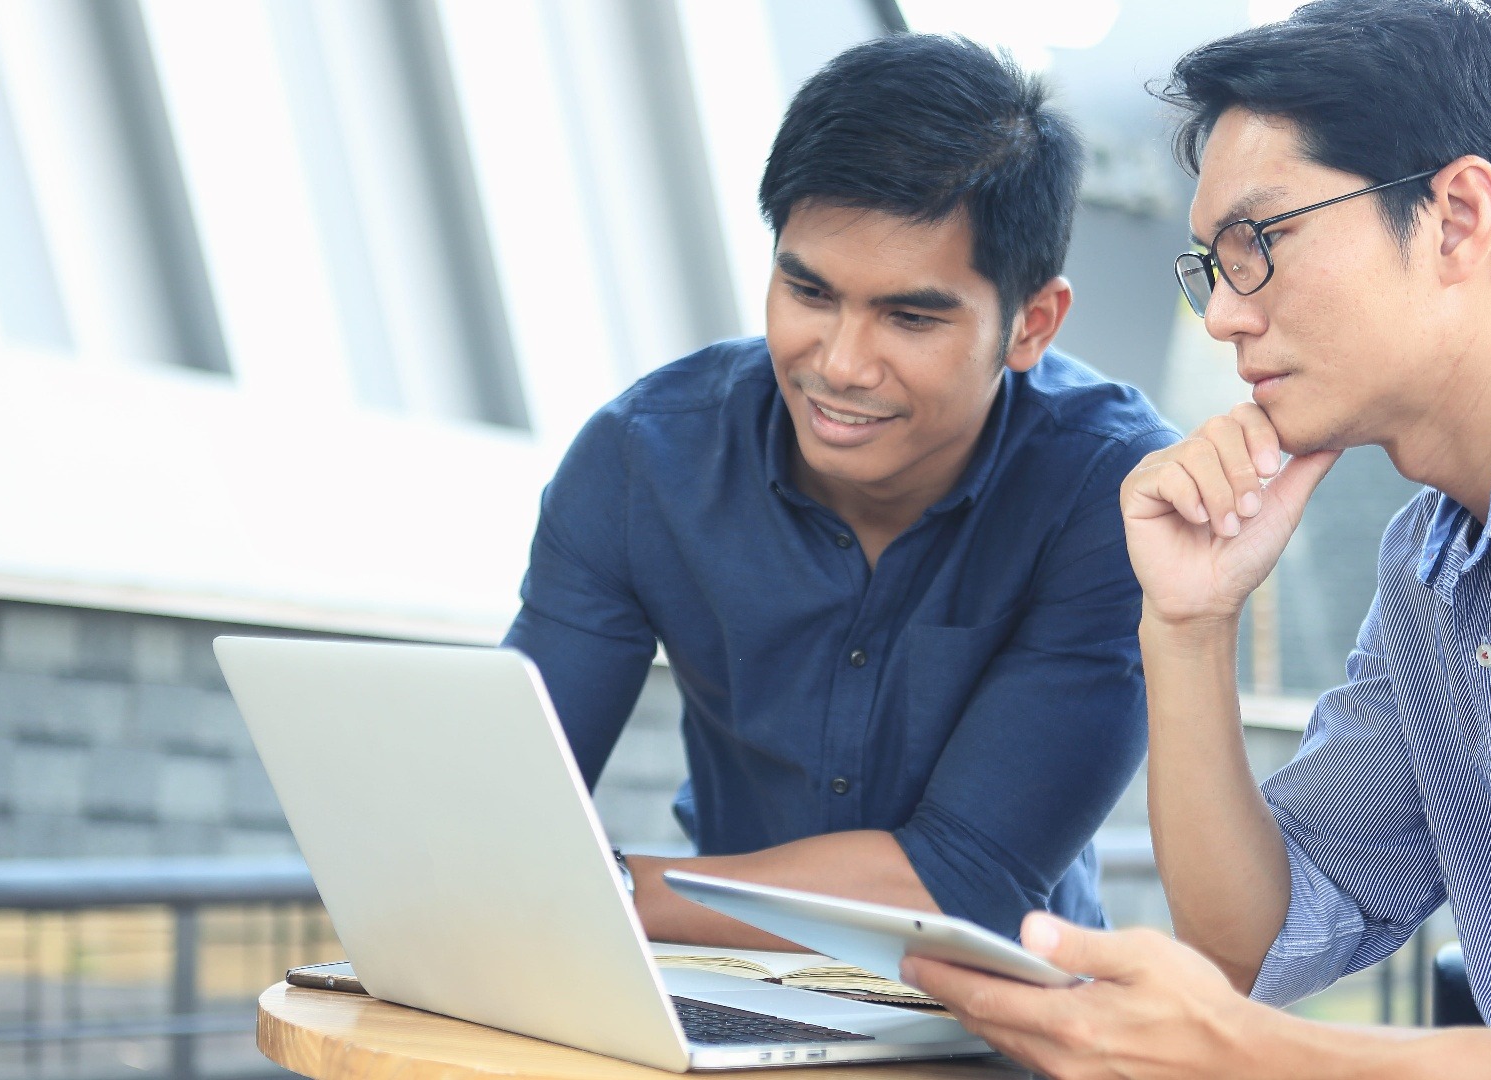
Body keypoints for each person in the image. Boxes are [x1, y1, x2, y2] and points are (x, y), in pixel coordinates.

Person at [905, 2, 1491, 1077]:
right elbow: (1255, 940)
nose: (1224, 317)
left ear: (1458, 217)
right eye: (1210, 266)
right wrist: (1189, 624)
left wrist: (1261, 1057)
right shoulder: (1430, 565)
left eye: (1260, 244)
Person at [502, 34, 1173, 948]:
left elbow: (962, 883)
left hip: (996, 1031)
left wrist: (596, 892)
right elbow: (507, 810)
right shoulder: (642, 462)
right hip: (723, 992)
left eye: (909, 316)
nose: (841, 366)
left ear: (1032, 324)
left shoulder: (1110, 495)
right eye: (809, 293)